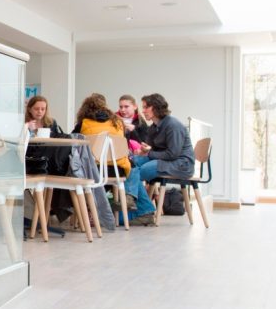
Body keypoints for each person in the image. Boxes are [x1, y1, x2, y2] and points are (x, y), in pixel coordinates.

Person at [75, 93, 156, 225]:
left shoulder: (84, 123)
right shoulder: (117, 121)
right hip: (118, 170)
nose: (123, 109)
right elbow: (124, 144)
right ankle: (138, 204)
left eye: (126, 106)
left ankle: (88, 212)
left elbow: (73, 141)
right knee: (133, 167)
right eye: (121, 106)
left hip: (93, 170)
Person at [129, 93, 194, 225]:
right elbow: (152, 150)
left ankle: (141, 207)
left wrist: (149, 153)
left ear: (156, 108)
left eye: (146, 107)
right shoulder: (153, 127)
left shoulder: (173, 125)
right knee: (131, 162)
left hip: (181, 164)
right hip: (166, 160)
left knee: (141, 170)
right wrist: (142, 152)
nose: (143, 111)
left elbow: (172, 154)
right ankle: (138, 203)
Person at [23, 95, 65, 177]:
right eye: (36, 109)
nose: (40, 112)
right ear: (29, 109)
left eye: (43, 109)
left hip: (48, 157)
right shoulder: (24, 123)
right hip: (30, 156)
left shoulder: (51, 123)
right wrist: (28, 129)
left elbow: (55, 141)